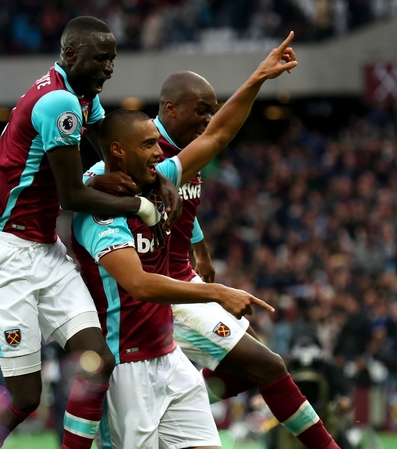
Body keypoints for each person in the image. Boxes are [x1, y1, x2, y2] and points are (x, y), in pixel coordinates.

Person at [87, 33, 341, 449]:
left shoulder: (175, 163)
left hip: (179, 285)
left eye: (211, 113)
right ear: (168, 110)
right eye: (200, 112)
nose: (206, 121)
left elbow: (195, 179)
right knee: (265, 364)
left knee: (263, 365)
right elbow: (92, 197)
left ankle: (191, 392)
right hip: (148, 301)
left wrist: (200, 246)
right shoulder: (135, 164)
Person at [0, 16, 180, 449]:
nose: (110, 68)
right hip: (7, 257)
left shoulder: (82, 98)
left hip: (47, 251)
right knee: (25, 397)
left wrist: (153, 175)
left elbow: (110, 147)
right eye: (101, 58)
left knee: (97, 363)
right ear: (70, 55)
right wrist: (139, 205)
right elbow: (72, 196)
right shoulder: (58, 102)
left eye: (113, 58)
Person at [72, 105, 279, 448]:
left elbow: (215, 137)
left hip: (169, 358)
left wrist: (259, 76)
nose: (158, 151)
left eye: (157, 143)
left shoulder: (158, 181)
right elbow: (138, 284)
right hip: (126, 365)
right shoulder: (99, 213)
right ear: (118, 151)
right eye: (148, 145)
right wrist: (215, 292)